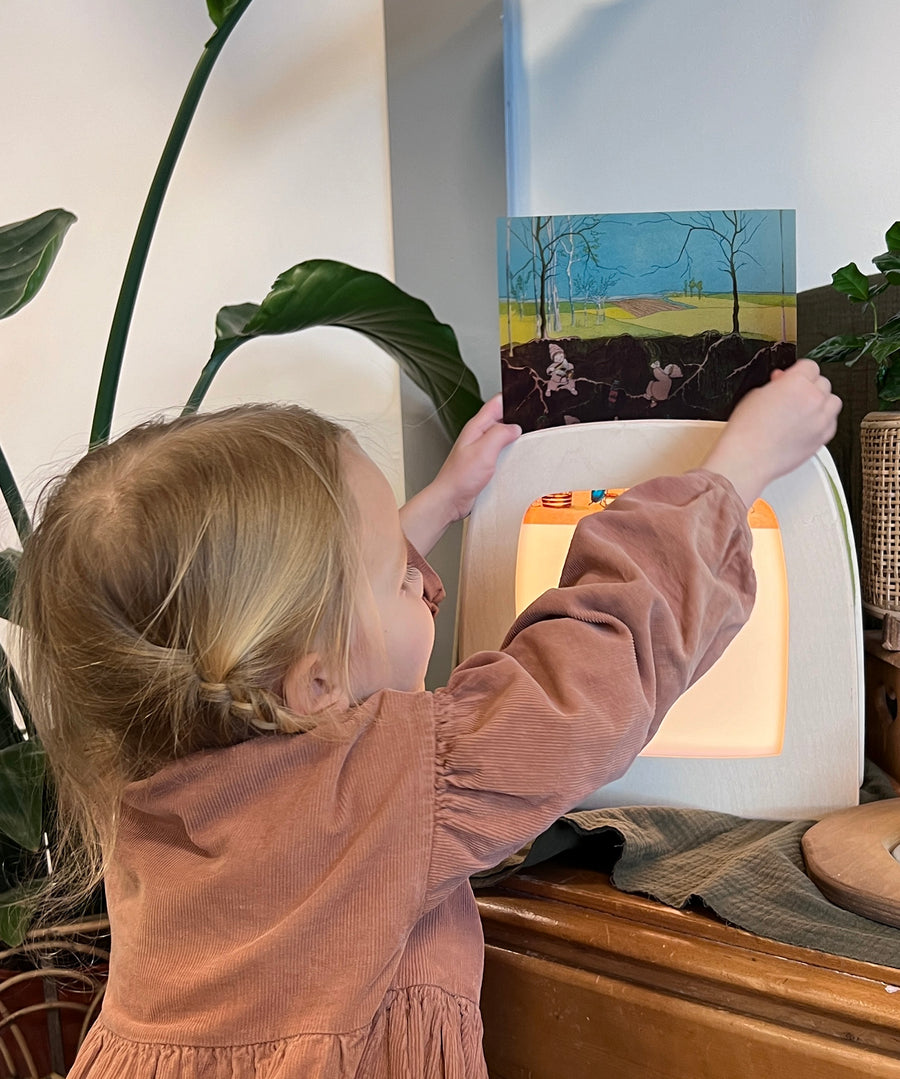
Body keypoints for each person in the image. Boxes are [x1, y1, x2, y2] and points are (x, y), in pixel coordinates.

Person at [13, 360, 840, 1078]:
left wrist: (440, 505)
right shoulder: (398, 778)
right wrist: (739, 468)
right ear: (315, 679)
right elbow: (594, 666)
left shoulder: (146, 760)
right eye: (393, 573)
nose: (419, 578)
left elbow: (293, 647)